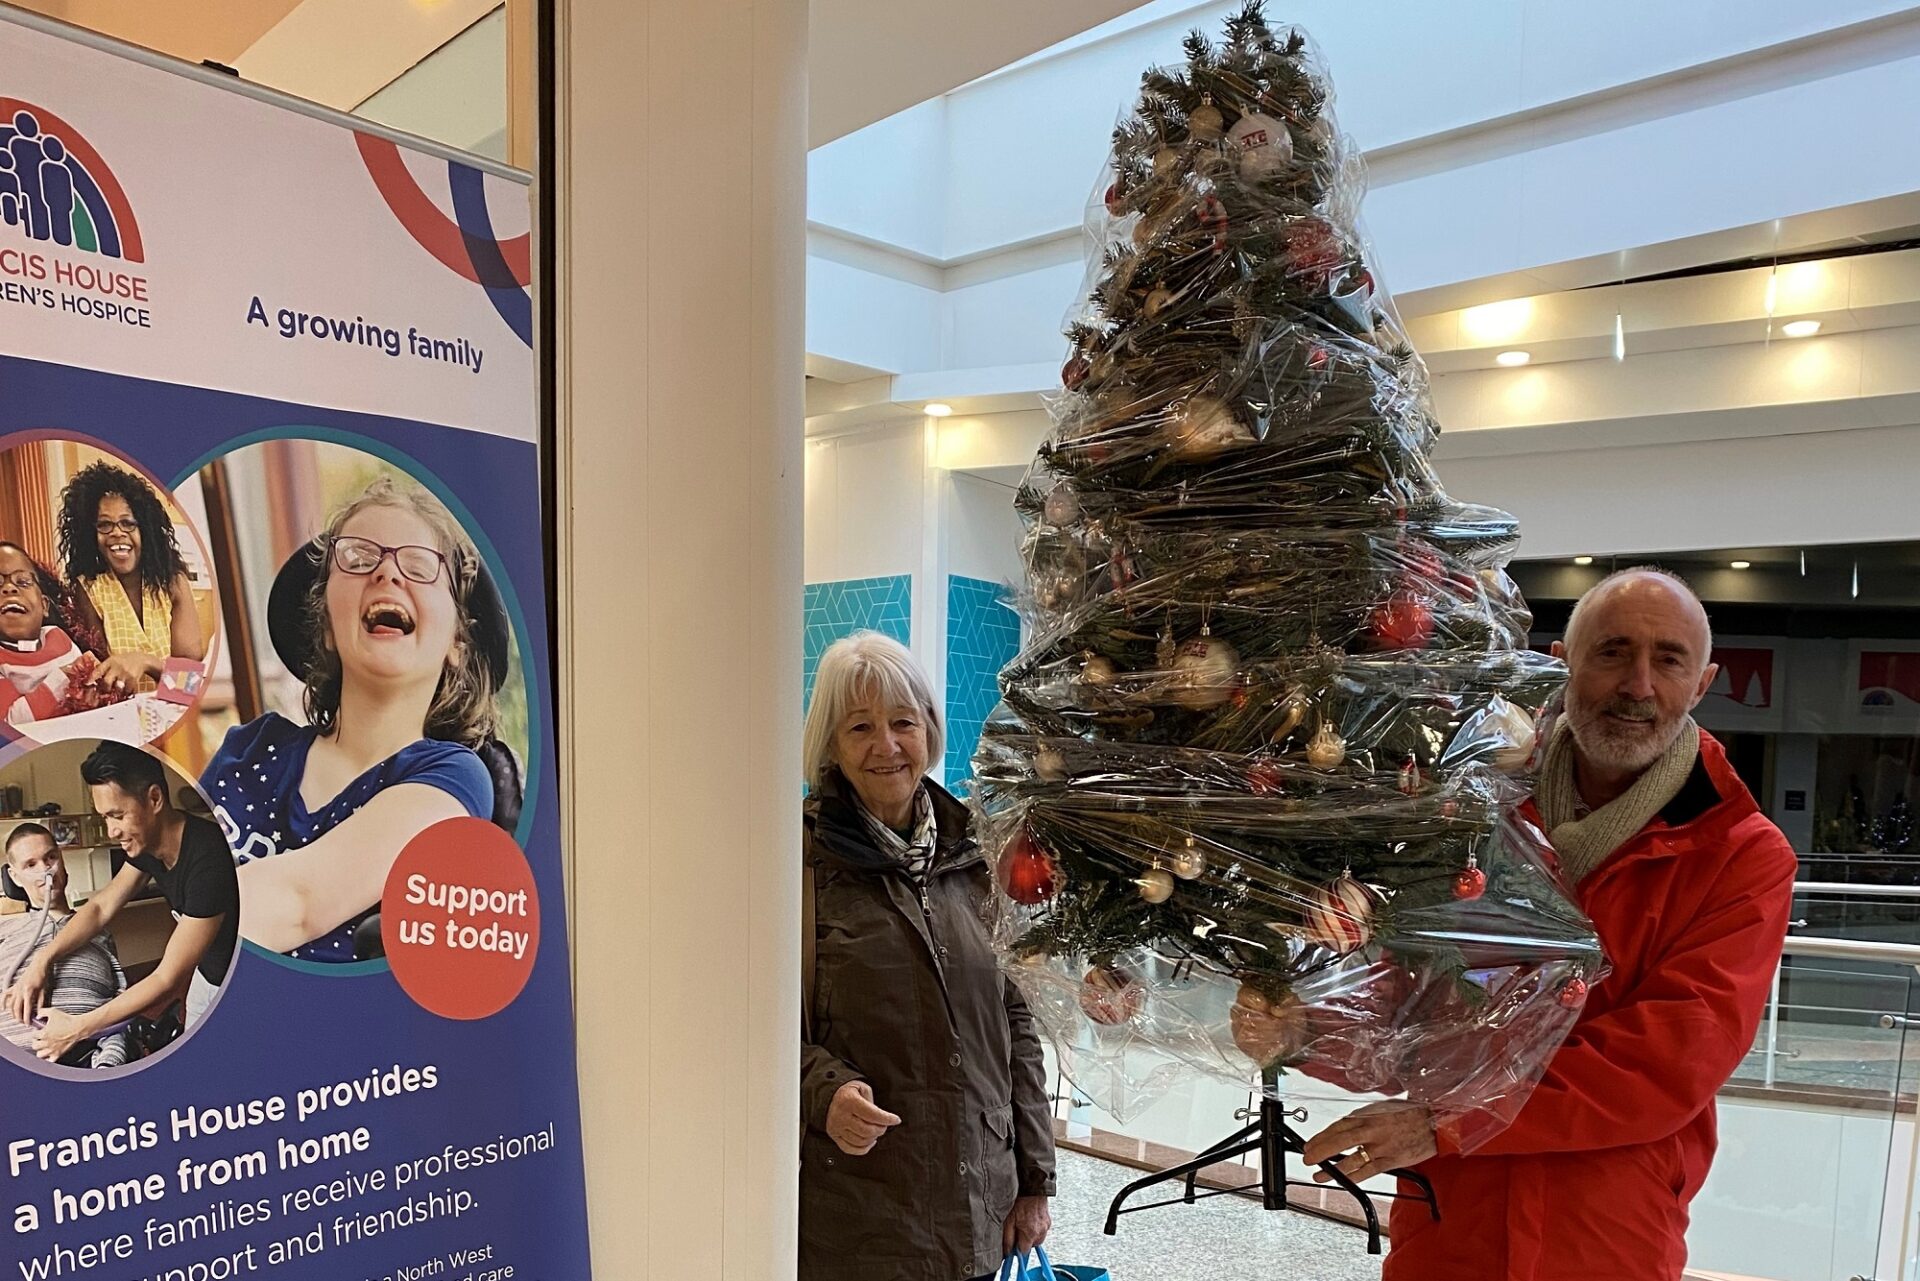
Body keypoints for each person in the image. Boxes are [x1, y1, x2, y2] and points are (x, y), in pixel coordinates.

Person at [1280, 568, 1796, 1280]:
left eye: (1668, 659)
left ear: (1702, 683)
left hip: (1606, 1230)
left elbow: (1661, 1065)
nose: (1638, 684)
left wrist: (1448, 1124)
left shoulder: (1741, 855)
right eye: (1612, 651)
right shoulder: (1470, 809)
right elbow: (1402, 995)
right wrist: (1304, 1028)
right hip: (1448, 1218)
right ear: (1563, 664)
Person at [800, 631, 1055, 1281]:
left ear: (929, 730)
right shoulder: (798, 863)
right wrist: (821, 1091)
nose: (886, 746)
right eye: (860, 726)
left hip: (979, 1213)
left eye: (902, 722)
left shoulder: (977, 854)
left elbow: (1017, 1022)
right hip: (860, 1222)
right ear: (831, 744)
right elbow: (749, 1027)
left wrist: (1034, 1179)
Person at [202, 477, 503, 962]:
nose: (387, 573)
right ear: (324, 625)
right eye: (360, 559)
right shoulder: (249, 749)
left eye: (421, 566)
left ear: (456, 645)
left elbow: (297, 903)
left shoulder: (453, 780)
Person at [3, 742, 239, 1060]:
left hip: (239, 983)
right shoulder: (149, 846)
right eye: (105, 818)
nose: (112, 831)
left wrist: (78, 1028)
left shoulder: (209, 861)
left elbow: (166, 978)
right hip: (207, 972)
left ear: (154, 799)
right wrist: (41, 962)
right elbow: (101, 908)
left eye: (117, 815)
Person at [56, 460, 205, 695]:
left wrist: (146, 661)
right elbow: (103, 679)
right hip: (123, 717)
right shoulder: (87, 588)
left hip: (176, 715)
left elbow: (190, 685)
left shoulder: (173, 581)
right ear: (90, 534)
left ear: (145, 530)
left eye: (127, 523)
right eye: (104, 525)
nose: (117, 532)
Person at [0, 823, 130, 1067]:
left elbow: (118, 1010)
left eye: (51, 857)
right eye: (31, 864)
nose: (45, 869)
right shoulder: (5, 933)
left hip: (83, 1062)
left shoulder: (98, 934)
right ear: (14, 877)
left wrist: (106, 1066)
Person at [0, 541, 116, 725]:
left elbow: (88, 687)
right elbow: (9, 723)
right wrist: (64, 678)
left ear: (45, 605)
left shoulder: (58, 637)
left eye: (23, 582)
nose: (9, 589)